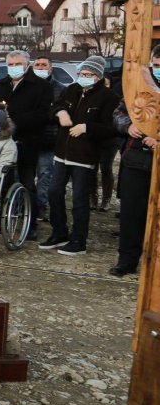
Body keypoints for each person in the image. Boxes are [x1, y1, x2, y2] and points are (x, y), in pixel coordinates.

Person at [40, 57, 117, 256]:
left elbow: (111, 128)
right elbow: (54, 107)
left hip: (85, 156)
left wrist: (87, 128)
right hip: (62, 153)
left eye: (88, 75)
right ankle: (59, 232)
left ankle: (78, 239)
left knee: (79, 199)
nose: (84, 78)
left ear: (98, 77)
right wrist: (60, 112)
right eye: (82, 74)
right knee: (55, 193)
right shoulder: (71, 90)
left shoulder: (108, 97)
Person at [109, 46, 160, 275]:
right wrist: (127, 126)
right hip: (136, 160)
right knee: (131, 214)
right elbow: (119, 113)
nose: (158, 70)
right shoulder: (138, 87)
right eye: (156, 66)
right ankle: (127, 260)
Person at [0, 49, 53, 235]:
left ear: (26, 65)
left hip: (28, 141)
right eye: (10, 65)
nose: (13, 68)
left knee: (27, 183)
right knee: (3, 182)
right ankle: (1, 219)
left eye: (17, 64)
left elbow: (43, 114)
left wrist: (13, 120)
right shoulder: (0, 86)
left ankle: (30, 223)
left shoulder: (41, 86)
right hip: (2, 142)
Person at [31, 55, 63, 220]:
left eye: (44, 65)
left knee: (44, 175)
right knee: (27, 175)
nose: (41, 68)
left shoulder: (59, 89)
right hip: (29, 139)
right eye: (37, 65)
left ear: (50, 69)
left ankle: (41, 205)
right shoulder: (27, 86)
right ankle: (27, 205)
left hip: (48, 140)